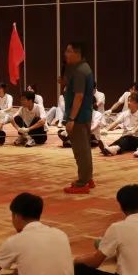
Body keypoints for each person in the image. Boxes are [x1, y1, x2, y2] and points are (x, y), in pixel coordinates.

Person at [62, 41, 96, 194]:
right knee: (84, 149)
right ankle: (87, 178)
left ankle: (82, 183)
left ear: (77, 53)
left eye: (69, 51)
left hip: (79, 118)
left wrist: (71, 119)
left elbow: (79, 96)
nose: (66, 54)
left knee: (81, 151)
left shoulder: (80, 72)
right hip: (84, 115)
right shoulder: (84, 68)